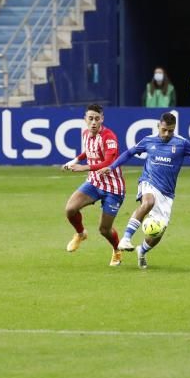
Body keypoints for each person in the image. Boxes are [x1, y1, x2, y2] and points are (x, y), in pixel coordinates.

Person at [99, 112, 190, 269]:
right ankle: (126, 238)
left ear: (174, 128)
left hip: (167, 193)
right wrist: (112, 167)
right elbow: (129, 153)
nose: (167, 134)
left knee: (158, 233)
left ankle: (141, 250)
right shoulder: (148, 141)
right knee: (148, 202)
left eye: (170, 130)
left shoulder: (182, 143)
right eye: (164, 130)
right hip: (148, 182)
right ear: (158, 126)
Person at [61, 104, 126, 266]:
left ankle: (117, 250)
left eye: (97, 118)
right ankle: (81, 233)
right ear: (85, 120)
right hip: (94, 183)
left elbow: (109, 161)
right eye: (90, 118)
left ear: (102, 119)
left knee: (104, 230)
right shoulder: (85, 134)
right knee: (70, 209)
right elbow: (88, 152)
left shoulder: (109, 137)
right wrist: (75, 160)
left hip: (113, 188)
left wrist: (83, 167)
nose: (94, 122)